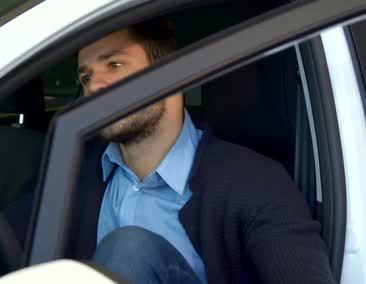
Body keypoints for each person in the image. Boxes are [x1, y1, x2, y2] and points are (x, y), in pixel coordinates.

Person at [76, 18, 334, 284]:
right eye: (86, 77)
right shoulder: (70, 178)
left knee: (129, 249)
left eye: (114, 65)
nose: (95, 86)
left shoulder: (255, 181)